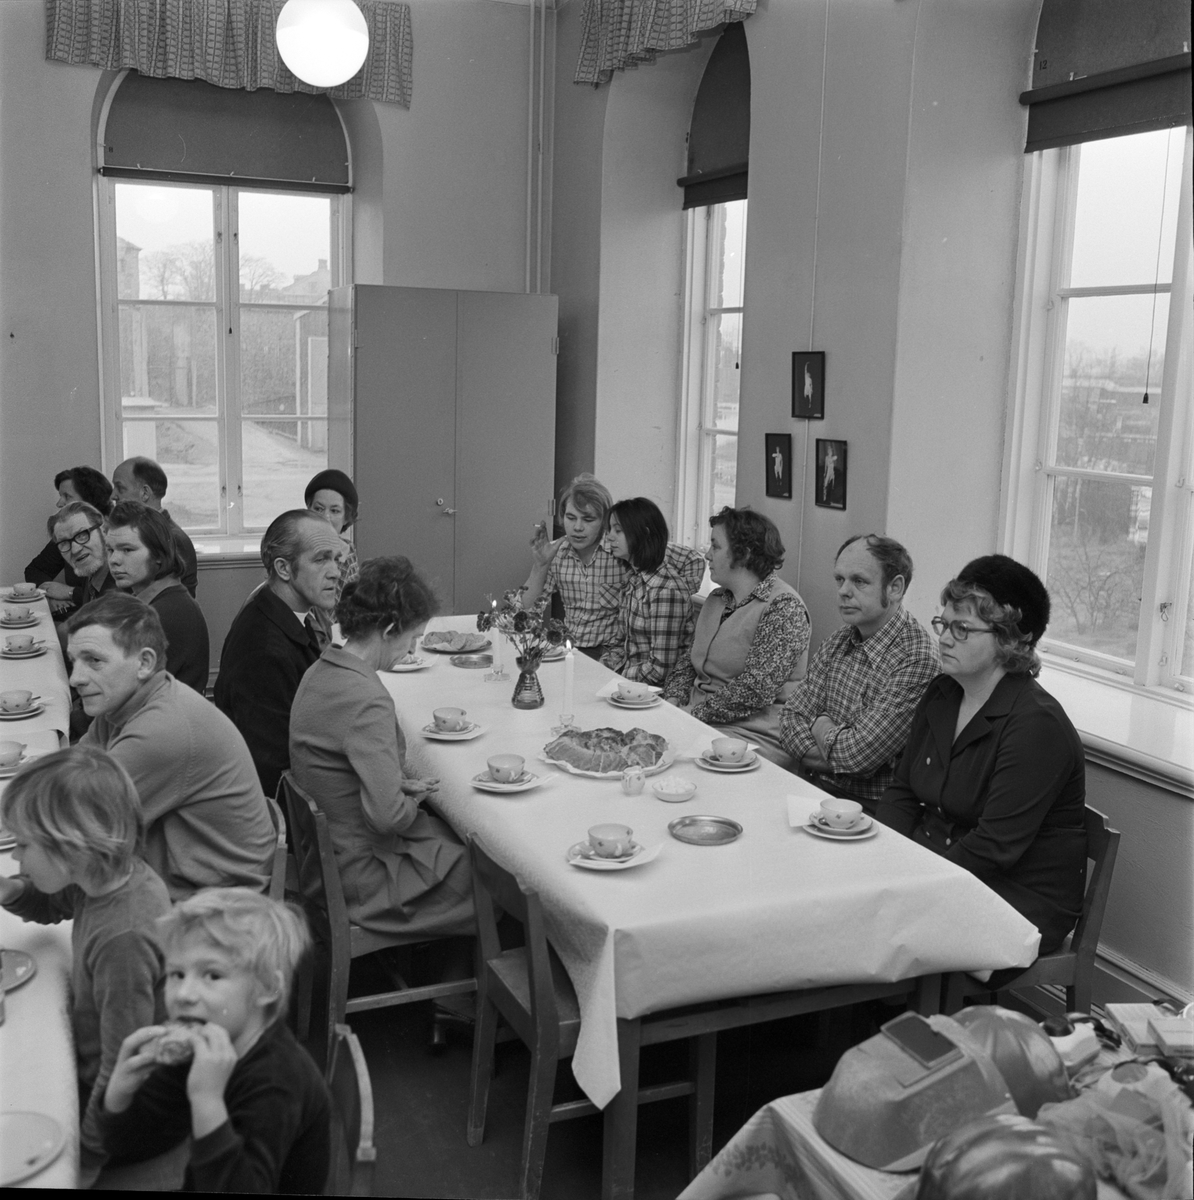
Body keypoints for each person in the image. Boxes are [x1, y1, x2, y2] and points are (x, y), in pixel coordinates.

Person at [289, 556, 475, 1045]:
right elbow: (388, 818)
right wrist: (405, 799)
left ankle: (447, 988)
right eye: (411, 638)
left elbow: (343, 770)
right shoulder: (366, 697)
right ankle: (455, 1000)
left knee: (453, 836)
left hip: (326, 862)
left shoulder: (321, 670)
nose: (411, 649)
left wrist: (394, 783)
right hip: (362, 878)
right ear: (389, 628)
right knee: (498, 876)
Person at [876, 556, 1087, 955]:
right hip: (943, 868)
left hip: (1015, 898)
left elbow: (993, 847)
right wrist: (878, 858)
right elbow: (903, 792)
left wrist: (908, 884)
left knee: (872, 932)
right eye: (943, 624)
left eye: (962, 629)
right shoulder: (942, 692)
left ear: (1009, 640)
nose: (944, 638)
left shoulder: (1036, 725)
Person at [0, 747, 171, 1184]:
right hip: (107, 1082)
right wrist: (9, 890)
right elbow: (54, 903)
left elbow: (126, 1063)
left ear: (73, 848)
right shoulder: (105, 878)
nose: (16, 858)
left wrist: (88, 1153)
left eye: (23, 845)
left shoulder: (123, 937)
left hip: (133, 1114)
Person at [98, 889, 330, 1193]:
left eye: (212, 975)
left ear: (267, 987)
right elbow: (130, 1143)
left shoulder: (277, 1081)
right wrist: (119, 1094)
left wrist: (207, 1101)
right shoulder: (202, 1044)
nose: (184, 994)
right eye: (177, 974)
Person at [68, 592, 274, 899]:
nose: (75, 679)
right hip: (180, 880)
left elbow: (78, 823)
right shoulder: (123, 705)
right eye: (73, 661)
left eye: (94, 661)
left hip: (220, 908)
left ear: (144, 663)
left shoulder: (161, 730)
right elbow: (70, 777)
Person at [779, 534, 939, 811]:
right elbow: (789, 719)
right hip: (811, 787)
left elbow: (857, 757)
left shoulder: (917, 658)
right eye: (840, 579)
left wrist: (818, 723)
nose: (843, 591)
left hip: (869, 809)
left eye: (859, 581)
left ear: (895, 588)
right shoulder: (840, 639)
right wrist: (836, 745)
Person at [663, 507, 810, 765]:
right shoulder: (717, 598)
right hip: (701, 721)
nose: (707, 554)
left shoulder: (783, 606)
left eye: (715, 546)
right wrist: (673, 698)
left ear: (744, 554)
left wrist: (692, 714)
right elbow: (689, 662)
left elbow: (756, 690)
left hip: (753, 734)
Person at [214, 511, 343, 798]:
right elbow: (275, 770)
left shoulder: (281, 610)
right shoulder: (263, 650)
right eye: (321, 559)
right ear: (283, 568)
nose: (335, 572)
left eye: (336, 559)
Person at [521, 473, 705, 660]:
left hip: (613, 652)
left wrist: (671, 597)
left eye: (588, 520)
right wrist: (540, 566)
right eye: (571, 517)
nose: (577, 527)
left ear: (604, 522)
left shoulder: (622, 547)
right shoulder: (556, 551)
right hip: (571, 648)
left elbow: (693, 560)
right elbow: (527, 610)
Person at [106, 500, 210, 693]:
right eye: (110, 550)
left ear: (159, 556)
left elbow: (126, 694)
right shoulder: (161, 599)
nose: (114, 560)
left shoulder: (166, 614)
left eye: (127, 550)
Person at [601, 497, 696, 685]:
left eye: (618, 530)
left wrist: (614, 679)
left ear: (643, 534)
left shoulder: (666, 590)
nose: (609, 537)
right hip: (628, 682)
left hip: (652, 692)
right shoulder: (634, 578)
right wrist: (600, 669)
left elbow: (660, 669)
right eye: (610, 529)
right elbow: (620, 644)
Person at [25, 466, 114, 617]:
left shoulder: (116, 538)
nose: (59, 503)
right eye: (60, 496)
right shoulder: (66, 535)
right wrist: (51, 595)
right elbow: (35, 570)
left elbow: (112, 598)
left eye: (67, 496)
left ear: (90, 501)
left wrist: (70, 593)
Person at [111, 457, 199, 598]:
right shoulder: (142, 532)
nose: (113, 496)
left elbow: (169, 601)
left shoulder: (172, 538)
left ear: (145, 493)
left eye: (120, 488)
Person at [304, 468, 360, 605]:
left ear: (346, 517)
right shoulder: (298, 550)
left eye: (334, 511)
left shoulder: (348, 551)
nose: (325, 517)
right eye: (318, 509)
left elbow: (353, 605)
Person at [49, 500, 117, 610]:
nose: (75, 550)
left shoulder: (121, 588)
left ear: (103, 530)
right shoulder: (90, 574)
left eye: (82, 535)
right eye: (64, 543)